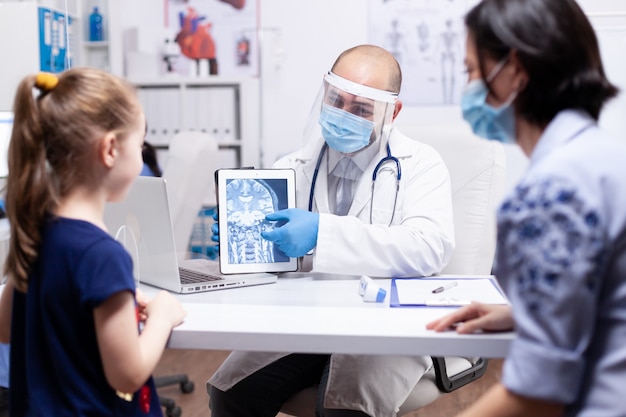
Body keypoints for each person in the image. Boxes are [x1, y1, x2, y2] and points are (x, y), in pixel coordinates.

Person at [208, 44, 455, 416]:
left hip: (384, 323)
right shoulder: (292, 166)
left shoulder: (420, 164)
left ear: (393, 112)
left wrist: (321, 233)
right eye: (336, 100)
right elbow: (278, 264)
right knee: (229, 392)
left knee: (343, 408)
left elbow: (429, 247)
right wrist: (244, 241)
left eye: (360, 109)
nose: (343, 114)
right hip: (306, 320)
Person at [427, 1, 626, 416]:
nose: (468, 87)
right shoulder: (605, 159)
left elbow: (536, 394)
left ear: (515, 70)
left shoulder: (550, 192)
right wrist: (530, 313)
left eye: (471, 71)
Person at [0, 68, 187, 416]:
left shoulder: (35, 234)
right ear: (111, 149)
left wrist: (117, 303)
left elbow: (7, 326)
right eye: (141, 143)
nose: (142, 155)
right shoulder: (103, 256)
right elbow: (128, 374)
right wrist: (162, 315)